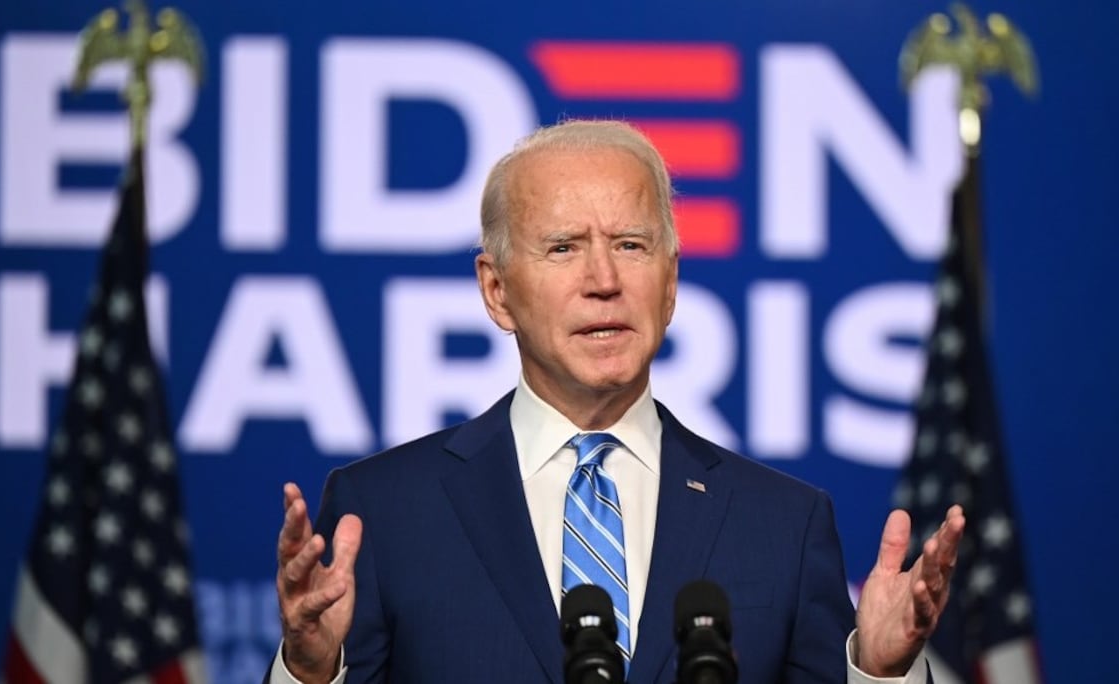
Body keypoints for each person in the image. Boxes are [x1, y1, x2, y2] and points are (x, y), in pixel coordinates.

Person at [268, 120, 965, 683]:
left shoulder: (783, 525)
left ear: (669, 284)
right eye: (564, 247)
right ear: (497, 290)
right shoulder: (385, 512)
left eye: (631, 245)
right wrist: (309, 673)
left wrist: (878, 674)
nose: (603, 279)